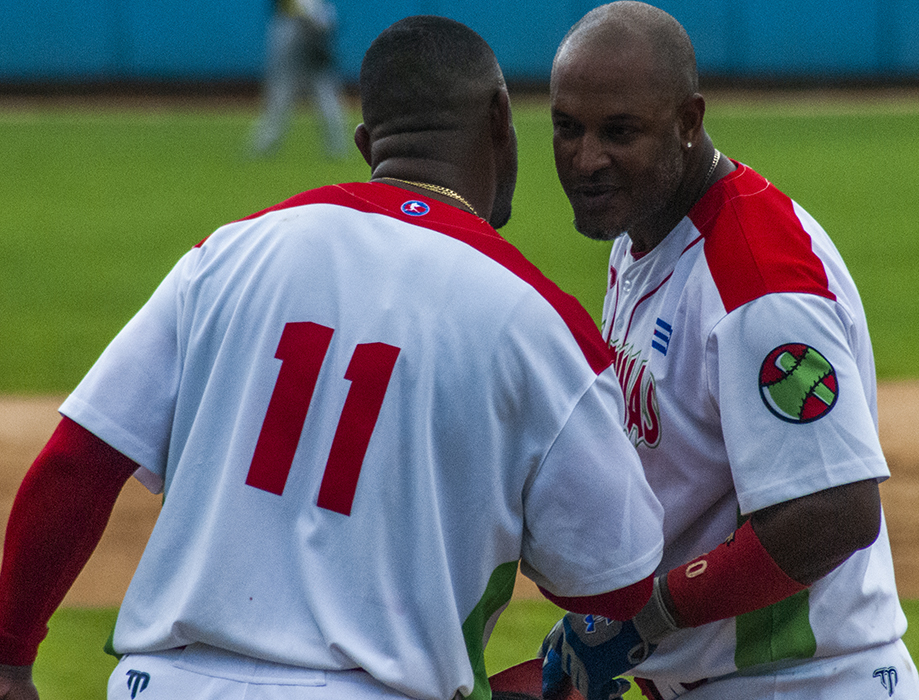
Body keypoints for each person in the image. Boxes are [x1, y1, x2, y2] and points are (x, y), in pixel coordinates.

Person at [0, 15, 665, 700]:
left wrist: (10, 657)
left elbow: (78, 460)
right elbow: (618, 583)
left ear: (365, 143)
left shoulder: (229, 254)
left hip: (165, 682)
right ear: (501, 119)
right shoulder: (541, 322)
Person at [538, 3, 919, 700]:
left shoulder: (758, 285)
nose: (586, 158)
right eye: (567, 127)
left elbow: (833, 512)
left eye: (619, 132)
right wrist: (611, 615)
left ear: (689, 122)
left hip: (803, 683)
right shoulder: (643, 235)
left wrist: (644, 618)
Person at [249, 0, 349, 158]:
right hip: (291, 36)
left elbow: (325, 22)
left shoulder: (317, 6)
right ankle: (266, 142)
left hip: (308, 44)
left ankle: (337, 146)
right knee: (282, 94)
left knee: (323, 94)